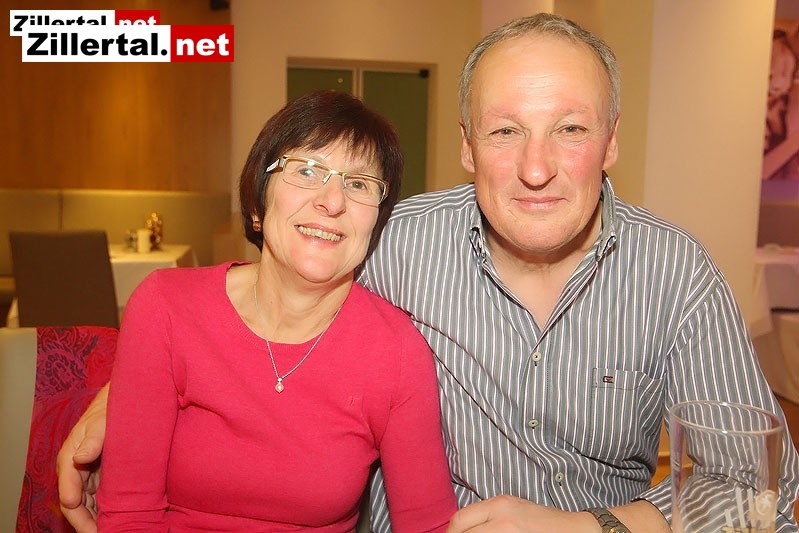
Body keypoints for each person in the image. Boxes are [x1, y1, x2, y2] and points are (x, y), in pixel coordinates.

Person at [59, 13, 799, 533]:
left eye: (569, 129)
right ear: (467, 146)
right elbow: (271, 305)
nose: (535, 167)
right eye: (505, 130)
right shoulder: (392, 240)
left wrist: (589, 526)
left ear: (609, 142)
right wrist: (127, 395)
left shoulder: (675, 274)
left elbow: (763, 492)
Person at [89, 90, 457, 531]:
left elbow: (427, 525)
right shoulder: (165, 308)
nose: (333, 201)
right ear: (257, 202)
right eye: (307, 170)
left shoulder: (397, 353)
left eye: (359, 183)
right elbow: (130, 514)